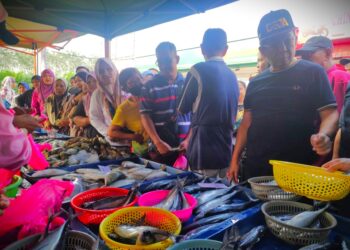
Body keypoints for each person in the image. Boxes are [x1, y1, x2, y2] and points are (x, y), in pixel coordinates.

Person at [227, 9, 339, 183]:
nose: (284, 49)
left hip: (296, 169)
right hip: (256, 168)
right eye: (275, 45)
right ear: (263, 50)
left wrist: (323, 135)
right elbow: (246, 124)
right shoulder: (256, 81)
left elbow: (330, 113)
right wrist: (234, 161)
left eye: (288, 40)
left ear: (295, 35)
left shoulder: (313, 72)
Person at [178, 28, 239, 178]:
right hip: (225, 149)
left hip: (203, 149)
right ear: (225, 50)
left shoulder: (197, 70)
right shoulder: (232, 75)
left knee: (203, 193)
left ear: (202, 48)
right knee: (221, 193)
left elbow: (181, 108)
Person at [140, 42, 191, 165]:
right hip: (160, 150)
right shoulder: (149, 86)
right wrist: (157, 142)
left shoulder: (188, 84)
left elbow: (196, 115)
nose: (163, 65)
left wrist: (189, 140)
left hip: (186, 148)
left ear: (177, 59)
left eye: (168, 60)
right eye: (160, 61)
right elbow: (145, 116)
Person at [297, 36, 350, 114]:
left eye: (309, 53)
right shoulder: (308, 78)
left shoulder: (341, 77)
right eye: (303, 55)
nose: (305, 58)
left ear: (327, 53)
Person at [108, 68, 149, 156]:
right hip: (142, 150)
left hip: (161, 145)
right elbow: (112, 132)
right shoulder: (124, 108)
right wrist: (133, 137)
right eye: (131, 82)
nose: (137, 84)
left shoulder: (153, 98)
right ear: (125, 88)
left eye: (138, 79)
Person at [90, 58, 124, 139]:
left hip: (134, 138)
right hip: (113, 140)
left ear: (115, 70)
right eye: (101, 71)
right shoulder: (97, 94)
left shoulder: (125, 88)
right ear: (98, 75)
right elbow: (95, 118)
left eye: (109, 69)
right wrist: (108, 132)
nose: (105, 73)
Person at [72, 72, 99, 138]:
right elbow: (75, 118)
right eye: (88, 82)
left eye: (95, 81)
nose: (92, 84)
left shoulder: (110, 97)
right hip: (90, 138)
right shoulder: (86, 99)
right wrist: (89, 120)